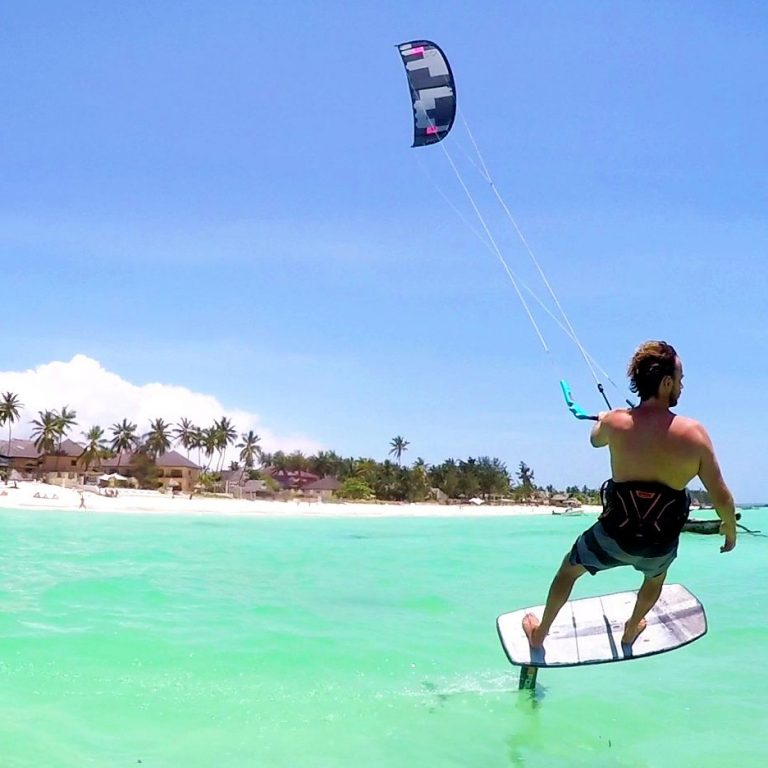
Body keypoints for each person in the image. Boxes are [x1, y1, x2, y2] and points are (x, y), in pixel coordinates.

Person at [523, 340, 737, 650]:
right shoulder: (694, 435)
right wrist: (728, 527)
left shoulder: (614, 421)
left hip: (612, 537)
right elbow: (721, 496)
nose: (681, 385)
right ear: (666, 383)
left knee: (569, 570)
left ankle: (539, 635)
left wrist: (605, 418)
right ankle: (630, 628)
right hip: (657, 547)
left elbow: (595, 440)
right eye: (680, 378)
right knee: (654, 580)